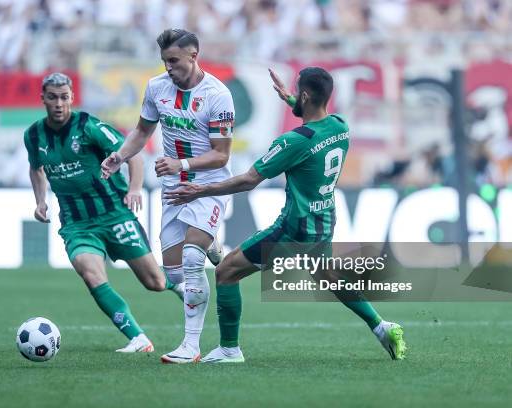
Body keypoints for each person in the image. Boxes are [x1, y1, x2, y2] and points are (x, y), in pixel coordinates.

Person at [164, 67, 407, 363]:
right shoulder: (340, 126)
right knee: (327, 275)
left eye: (298, 92)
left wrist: (199, 191)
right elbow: (312, 118)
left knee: (226, 272)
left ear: (305, 95)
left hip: (295, 229)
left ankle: (229, 349)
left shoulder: (293, 142)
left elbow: (249, 180)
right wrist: (292, 99)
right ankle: (381, 327)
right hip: (324, 219)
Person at [101, 29, 234, 363]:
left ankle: (190, 346)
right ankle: (213, 246)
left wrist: (180, 163)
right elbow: (142, 131)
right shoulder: (156, 87)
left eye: (174, 61)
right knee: (173, 275)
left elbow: (221, 155)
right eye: (164, 61)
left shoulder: (218, 95)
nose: (168, 67)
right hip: (174, 190)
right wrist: (119, 155)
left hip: (209, 186)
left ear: (193, 55)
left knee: (191, 262)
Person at [24, 72, 182, 354]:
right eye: (52, 97)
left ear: (72, 97)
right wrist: (40, 201)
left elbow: (132, 153)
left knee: (154, 282)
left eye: (64, 97)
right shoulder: (33, 135)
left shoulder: (88, 126)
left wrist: (134, 189)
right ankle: (138, 338)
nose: (59, 104)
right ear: (43, 99)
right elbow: (36, 168)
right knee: (91, 274)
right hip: (77, 224)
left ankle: (175, 284)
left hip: (114, 213)